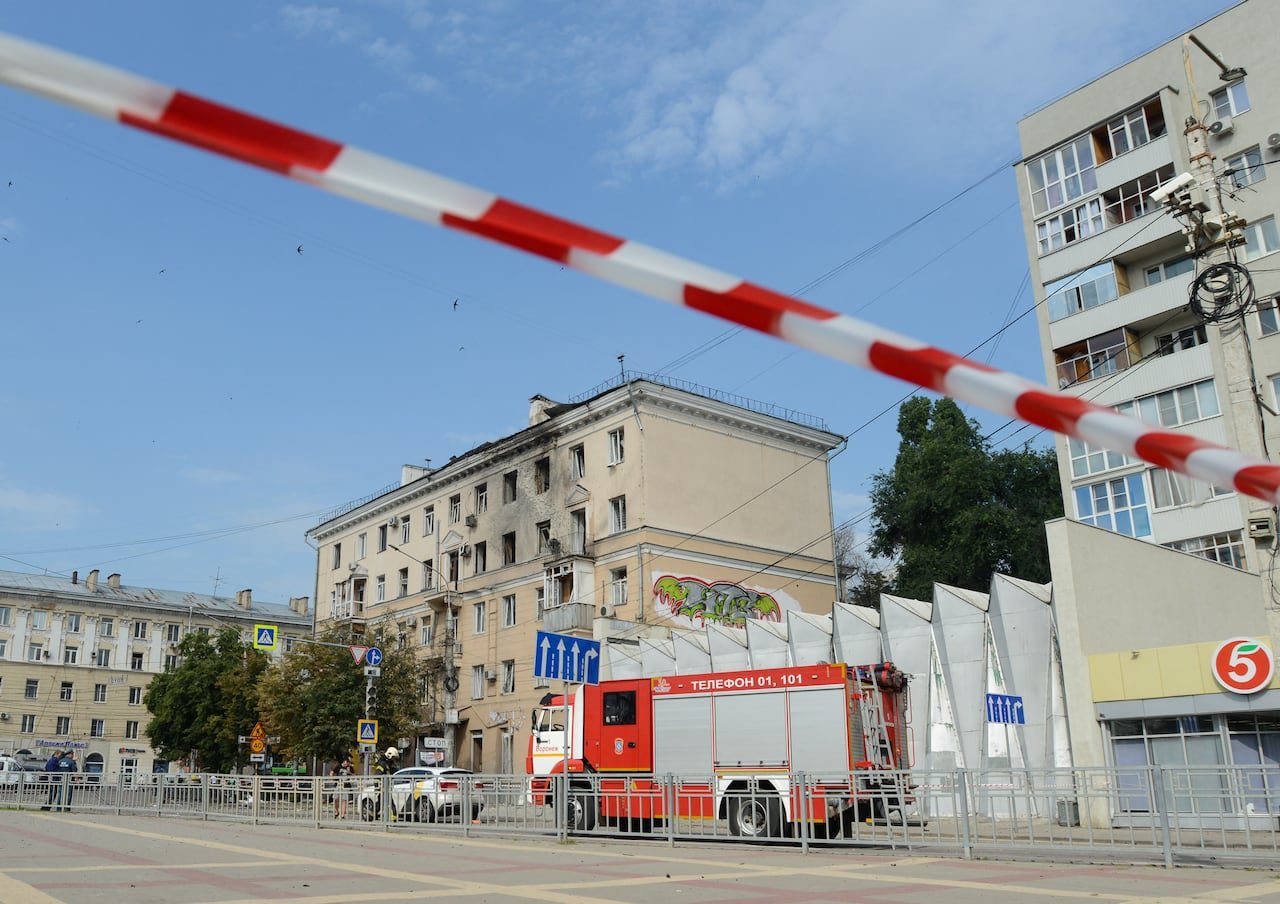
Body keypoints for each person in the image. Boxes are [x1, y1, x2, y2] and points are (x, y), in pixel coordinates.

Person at [373, 746, 399, 820]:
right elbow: (377, 776)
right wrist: (378, 787)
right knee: (389, 803)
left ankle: (371, 814)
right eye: (393, 758)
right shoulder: (382, 764)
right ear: (390, 755)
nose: (394, 760)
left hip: (386, 787)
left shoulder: (388, 764)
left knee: (380, 803)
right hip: (383, 787)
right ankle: (393, 819)